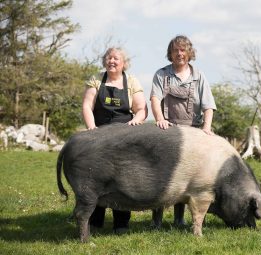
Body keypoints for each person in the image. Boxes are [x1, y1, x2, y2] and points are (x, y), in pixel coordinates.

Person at [150, 35, 217, 226]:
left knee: (186, 177)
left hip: (192, 133)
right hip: (168, 130)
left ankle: (179, 219)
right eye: (175, 50)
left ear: (189, 53)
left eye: (183, 50)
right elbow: (155, 99)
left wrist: (206, 128)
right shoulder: (162, 74)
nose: (179, 54)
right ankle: (157, 220)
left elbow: (208, 106)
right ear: (170, 54)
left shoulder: (198, 75)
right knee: (162, 176)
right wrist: (160, 119)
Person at [82, 47, 148, 233]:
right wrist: (91, 128)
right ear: (105, 61)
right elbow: (87, 105)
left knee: (123, 181)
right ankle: (95, 222)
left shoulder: (132, 81)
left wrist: (136, 120)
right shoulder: (96, 79)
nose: (112, 61)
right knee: (96, 179)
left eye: (116, 58)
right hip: (99, 137)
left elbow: (142, 109)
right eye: (108, 58)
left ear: (124, 63)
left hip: (123, 138)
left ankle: (121, 223)